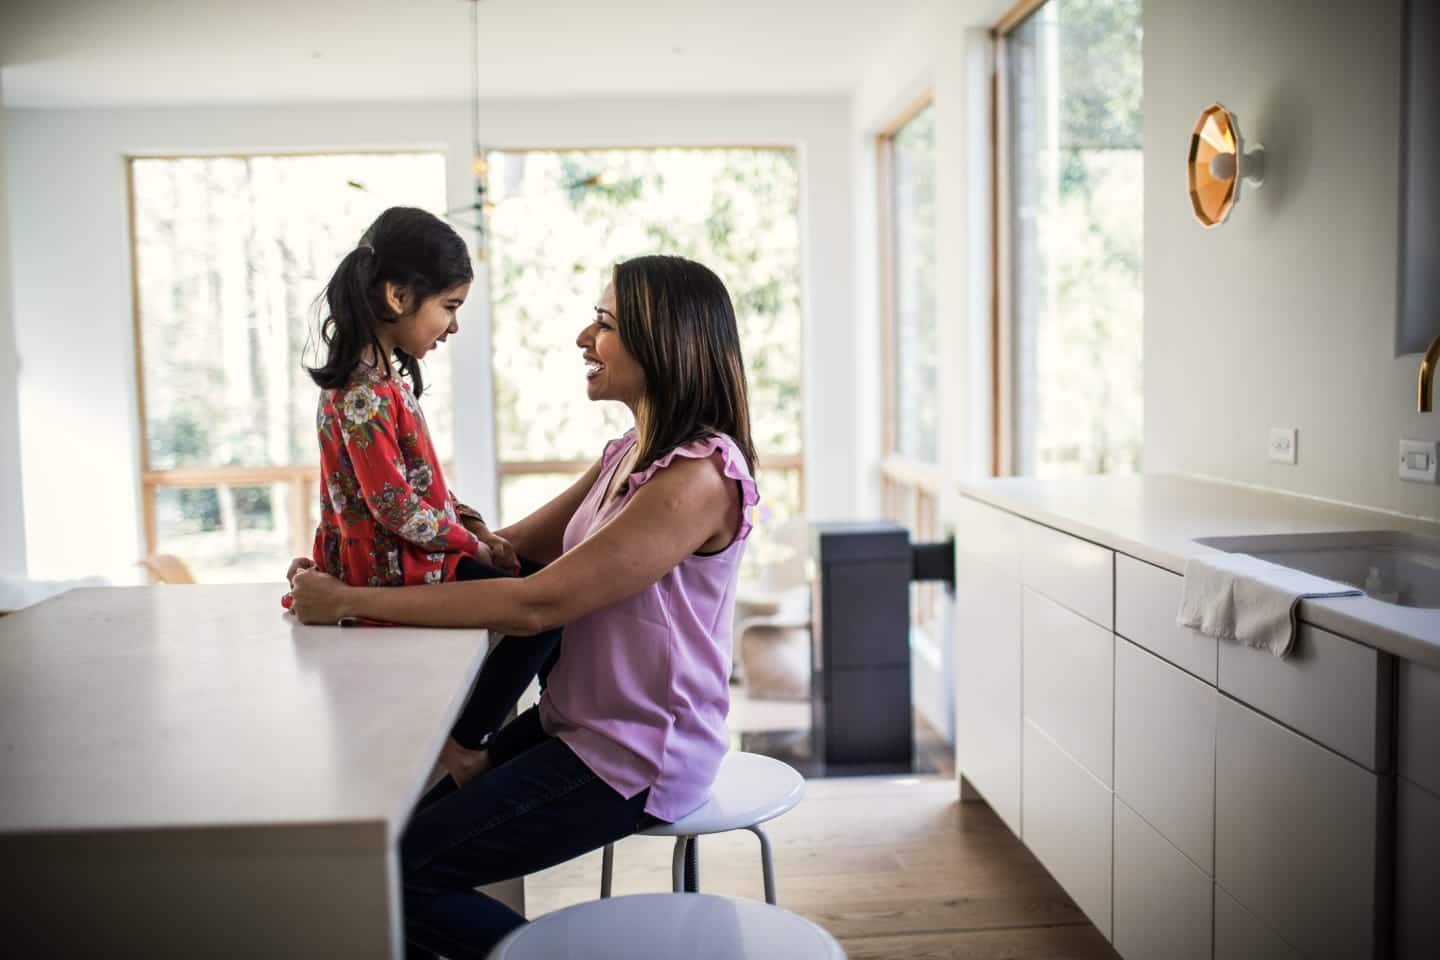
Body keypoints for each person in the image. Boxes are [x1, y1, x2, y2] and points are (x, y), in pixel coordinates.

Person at [289, 254, 760, 958]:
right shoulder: (626, 455)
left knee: (396, 878)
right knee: (388, 859)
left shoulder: (698, 476)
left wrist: (350, 603)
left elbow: (537, 602)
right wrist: (355, 572)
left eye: (603, 323)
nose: (582, 338)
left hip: (637, 756)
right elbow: (508, 554)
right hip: (577, 725)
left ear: (665, 342)